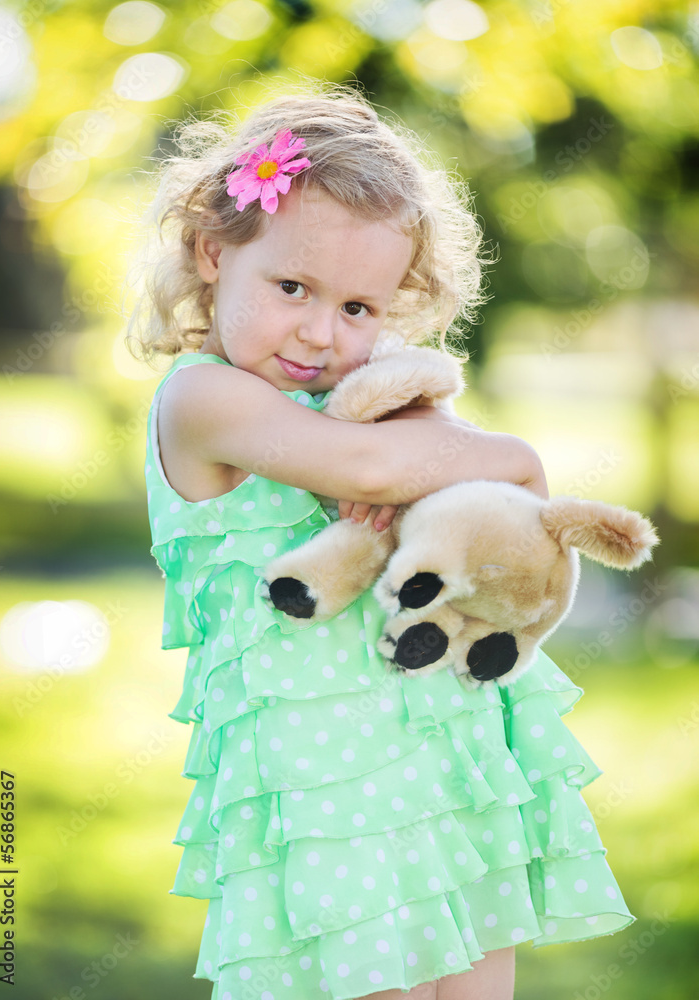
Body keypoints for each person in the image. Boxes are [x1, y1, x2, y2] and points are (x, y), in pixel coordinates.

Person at [125, 86, 635, 1000]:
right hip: (327, 791)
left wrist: (475, 471)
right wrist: (513, 455)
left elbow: (479, 513)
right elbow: (368, 468)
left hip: (446, 744)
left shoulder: (373, 396)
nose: (323, 334)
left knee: (477, 978)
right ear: (212, 252)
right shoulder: (206, 400)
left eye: (360, 307)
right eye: (293, 289)